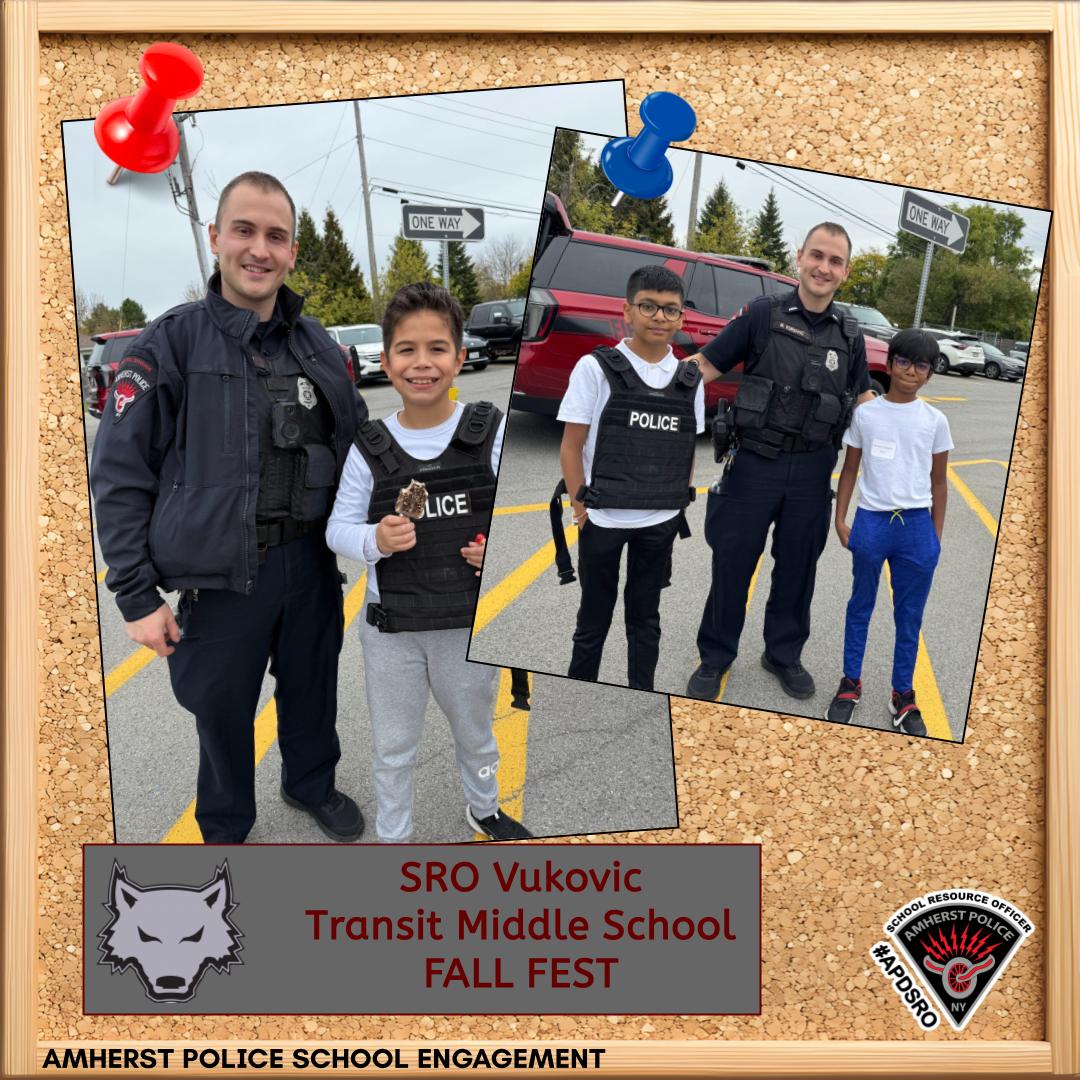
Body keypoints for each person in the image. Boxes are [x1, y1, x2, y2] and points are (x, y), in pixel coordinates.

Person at [90, 171, 366, 844]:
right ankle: (225, 824)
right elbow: (120, 473)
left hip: (308, 565)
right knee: (221, 712)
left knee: (312, 692)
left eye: (276, 236)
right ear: (216, 238)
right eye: (244, 230)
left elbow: (362, 446)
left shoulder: (317, 343)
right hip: (219, 582)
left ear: (293, 252)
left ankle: (310, 787)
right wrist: (135, 596)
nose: (259, 249)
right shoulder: (171, 341)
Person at [326, 282, 532, 843]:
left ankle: (483, 808)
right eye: (407, 350)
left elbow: (520, 517)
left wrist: (496, 550)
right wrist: (375, 539)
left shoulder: (489, 433)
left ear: (460, 358)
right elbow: (336, 528)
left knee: (477, 736)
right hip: (392, 628)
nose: (423, 363)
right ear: (386, 361)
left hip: (464, 625)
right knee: (393, 746)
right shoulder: (369, 447)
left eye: (438, 348)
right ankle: (395, 836)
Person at [684, 222, 874, 702]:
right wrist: (647, 384)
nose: (823, 267)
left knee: (798, 569)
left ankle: (783, 655)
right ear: (799, 257)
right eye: (817, 256)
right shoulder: (761, 316)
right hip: (754, 465)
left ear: (845, 272)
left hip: (813, 470)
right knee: (733, 563)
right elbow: (704, 367)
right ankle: (716, 656)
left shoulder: (850, 334)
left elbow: (865, 397)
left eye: (834, 261)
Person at [557, 265, 705, 692]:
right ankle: (580, 693)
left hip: (658, 523)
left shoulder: (690, 379)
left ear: (681, 318)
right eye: (649, 306)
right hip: (602, 520)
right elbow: (571, 445)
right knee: (593, 618)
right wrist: (579, 508)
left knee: (645, 619)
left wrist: (676, 503)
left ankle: (641, 691)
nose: (659, 317)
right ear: (627, 310)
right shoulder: (595, 368)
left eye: (670, 310)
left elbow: (686, 448)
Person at [826, 329, 952, 736]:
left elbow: (938, 483)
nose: (910, 371)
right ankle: (850, 682)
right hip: (872, 521)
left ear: (929, 374)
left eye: (920, 365)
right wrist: (841, 518)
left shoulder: (935, 420)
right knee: (860, 604)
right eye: (903, 361)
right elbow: (850, 468)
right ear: (890, 362)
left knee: (909, 615)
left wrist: (934, 536)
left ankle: (902, 693)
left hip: (915, 525)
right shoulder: (867, 414)